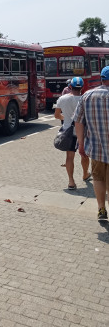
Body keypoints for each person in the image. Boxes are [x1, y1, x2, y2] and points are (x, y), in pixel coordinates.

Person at [74, 66, 109, 220]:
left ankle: (101, 209)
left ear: (101, 79)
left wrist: (81, 144)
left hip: (96, 149)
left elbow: (78, 122)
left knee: (98, 178)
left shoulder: (87, 95)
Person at [55, 77, 90, 190]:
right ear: (82, 87)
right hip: (83, 131)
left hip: (68, 131)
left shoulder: (62, 98)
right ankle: (85, 174)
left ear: (70, 86)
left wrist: (66, 119)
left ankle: (71, 182)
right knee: (84, 155)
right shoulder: (86, 99)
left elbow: (57, 115)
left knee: (69, 157)